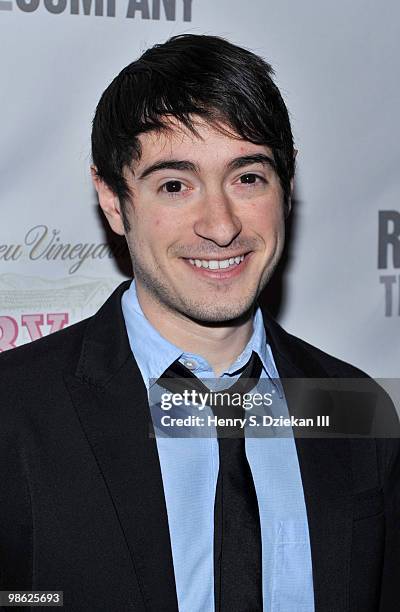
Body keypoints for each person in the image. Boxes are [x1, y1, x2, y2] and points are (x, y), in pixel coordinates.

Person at [0, 34, 399, 612]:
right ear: (114, 200)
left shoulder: (355, 407)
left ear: (287, 185)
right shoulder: (15, 412)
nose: (220, 225)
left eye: (247, 178)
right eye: (174, 185)